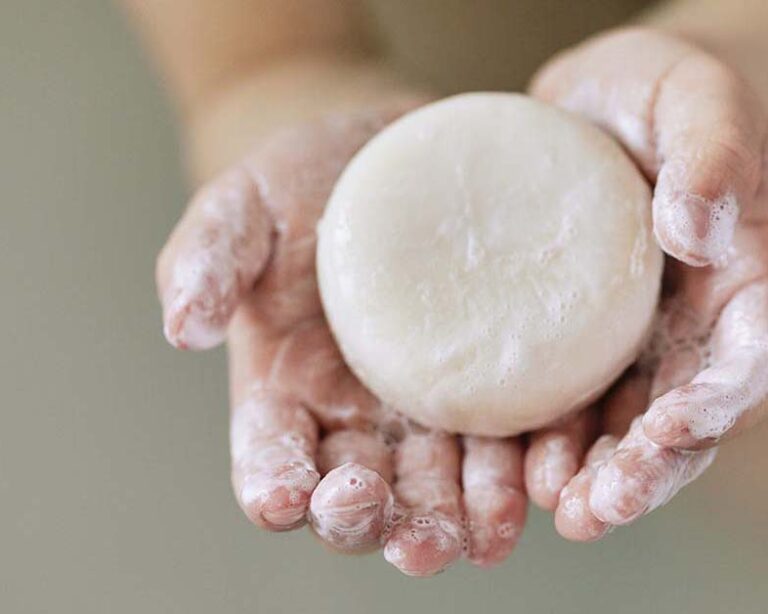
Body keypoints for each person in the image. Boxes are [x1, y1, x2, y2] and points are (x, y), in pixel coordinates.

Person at [122, 0, 768, 576]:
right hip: (449, 81)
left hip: (706, 179)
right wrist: (293, 116)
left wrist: (732, 60)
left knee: (722, 406)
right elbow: (261, 66)